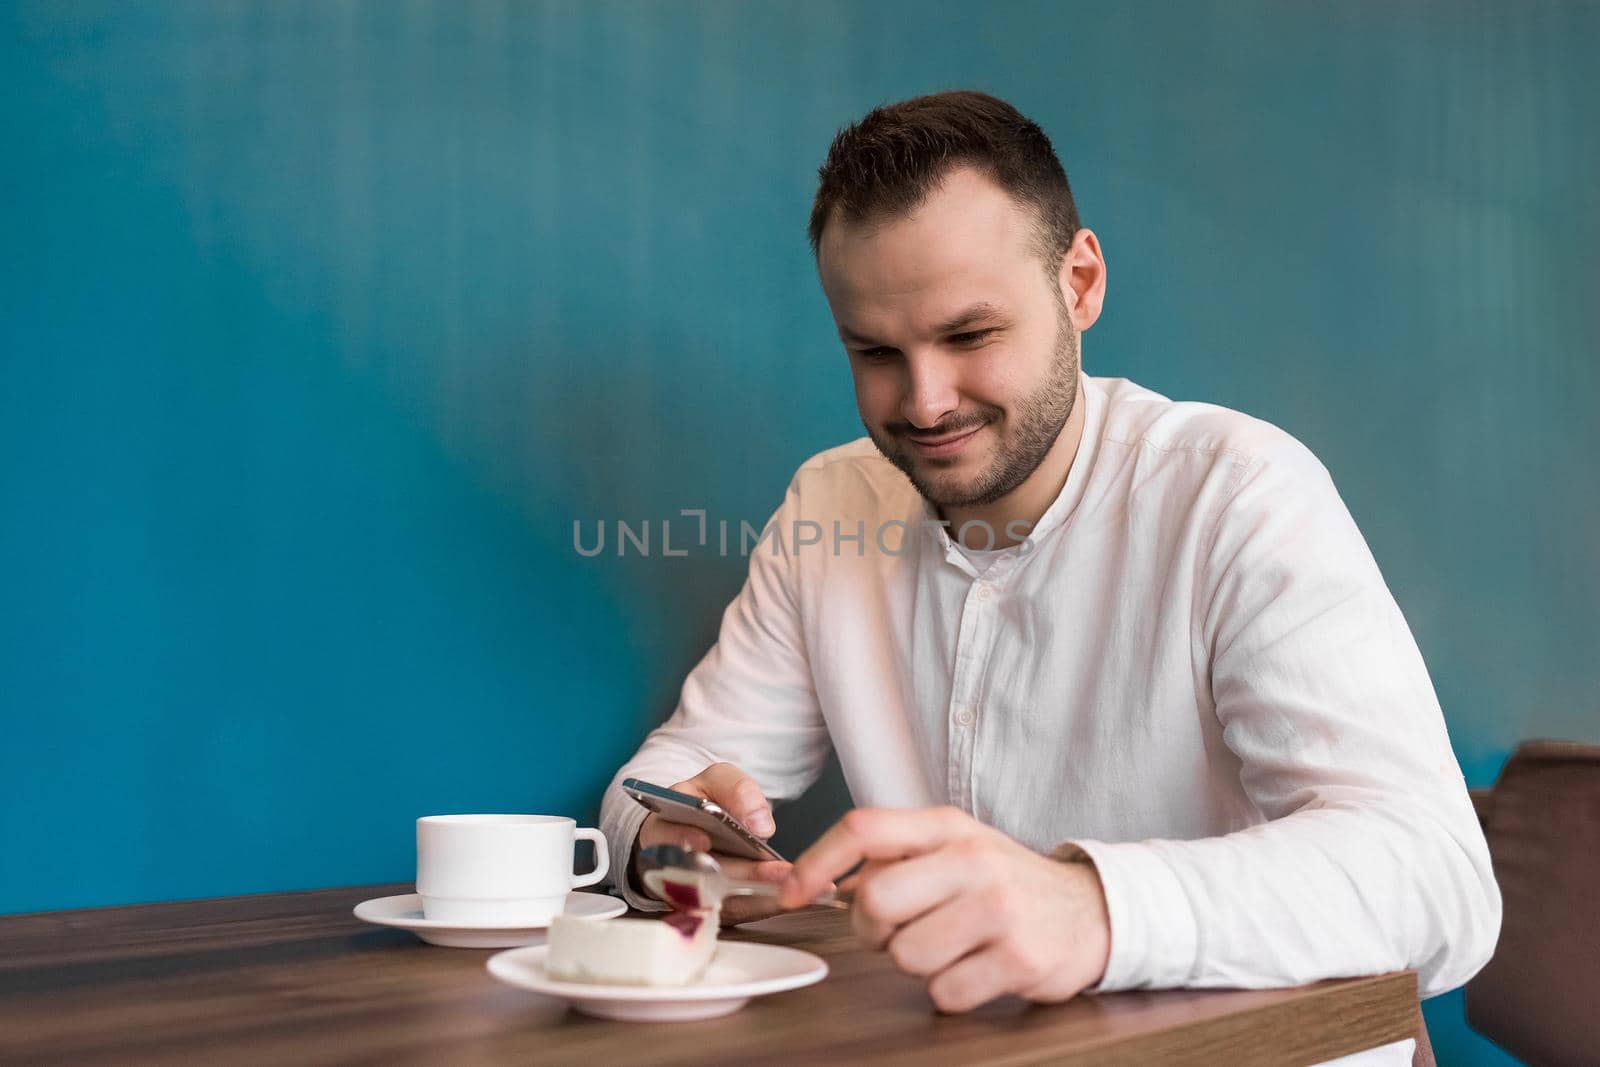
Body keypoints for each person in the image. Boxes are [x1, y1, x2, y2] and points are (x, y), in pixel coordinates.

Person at [597, 90, 1498, 1062]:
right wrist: (673, 845)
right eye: (876, 353)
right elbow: (651, 788)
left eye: (969, 334)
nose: (926, 400)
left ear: (1079, 283)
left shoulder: (1238, 493)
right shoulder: (829, 509)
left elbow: (1438, 880)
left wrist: (1090, 905)